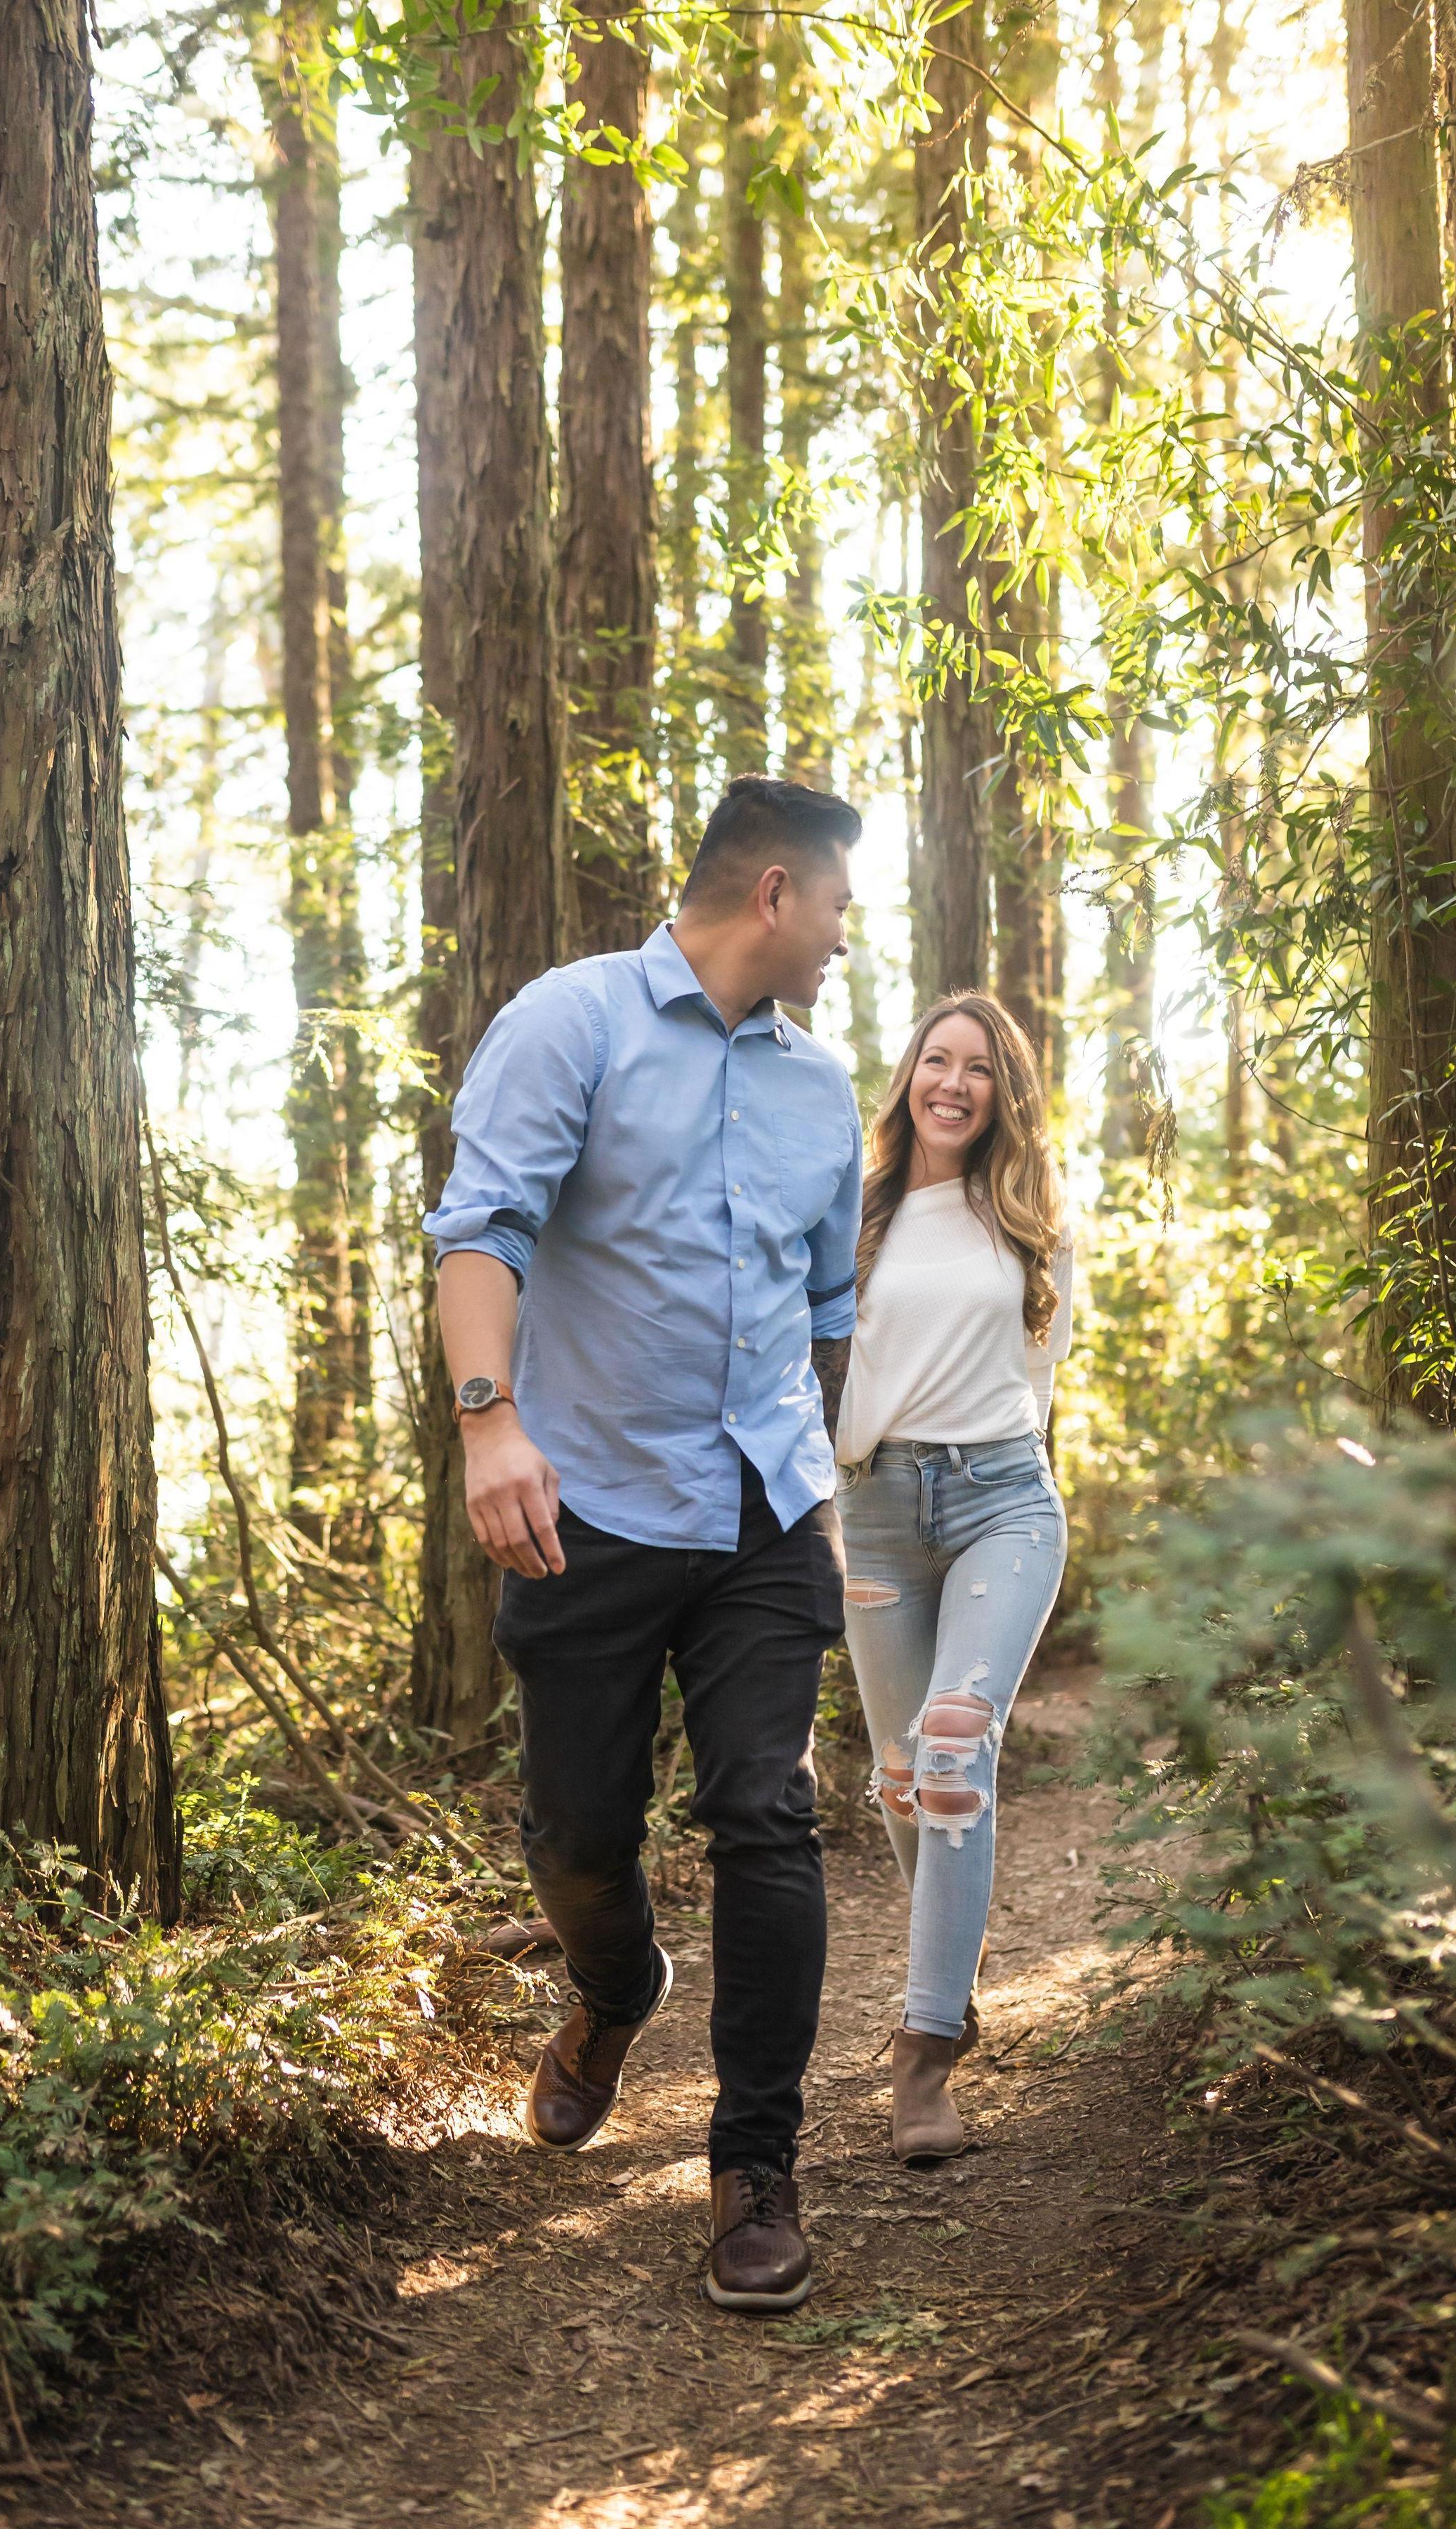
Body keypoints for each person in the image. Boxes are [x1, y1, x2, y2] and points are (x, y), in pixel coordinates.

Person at [423, 776, 865, 2315]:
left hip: (758, 1512)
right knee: (579, 1837)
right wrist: (491, 1424)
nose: (842, 942)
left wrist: (814, 1488)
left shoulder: (822, 1094)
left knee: (767, 1814)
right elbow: (482, 1231)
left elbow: (825, 1319)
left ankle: (755, 2167)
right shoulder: (574, 1022)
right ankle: (617, 1988)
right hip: (589, 1505)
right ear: (771, 893)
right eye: (836, 909)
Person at [832, 992, 1073, 2165]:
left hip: (1001, 1503)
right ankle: (954, 1960)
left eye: (981, 1068)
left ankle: (925, 2054)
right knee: (898, 1782)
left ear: (1003, 1094)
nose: (956, 1084)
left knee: (952, 1749)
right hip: (873, 1513)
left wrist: (990, 1467)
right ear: (910, 1075)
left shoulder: (1028, 1221)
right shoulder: (858, 1211)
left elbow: (1041, 1382)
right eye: (939, 1059)